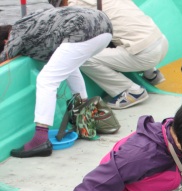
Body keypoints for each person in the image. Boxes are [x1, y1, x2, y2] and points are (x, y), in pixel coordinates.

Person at [0, 7, 113, 158]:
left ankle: (40, 139)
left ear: (5, 40)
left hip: (82, 30)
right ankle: (86, 123)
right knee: (71, 68)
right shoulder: (29, 22)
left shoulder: (16, 33)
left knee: (46, 80)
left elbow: (6, 54)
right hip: (103, 27)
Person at [65, 0, 169, 110]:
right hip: (161, 41)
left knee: (83, 57)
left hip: (145, 54)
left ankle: (130, 91)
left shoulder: (75, 3)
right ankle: (152, 74)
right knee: (126, 35)